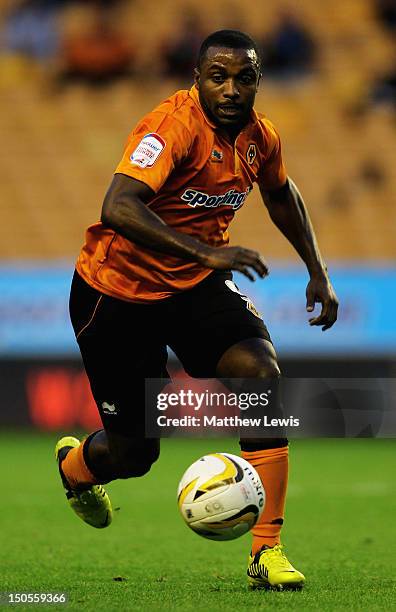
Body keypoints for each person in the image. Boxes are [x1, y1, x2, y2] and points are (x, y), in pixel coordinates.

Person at [55, 29, 338, 591]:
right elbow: (118, 205)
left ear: (258, 81)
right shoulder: (172, 127)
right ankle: (76, 468)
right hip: (116, 294)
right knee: (136, 454)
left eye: (244, 77)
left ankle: (267, 550)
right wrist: (209, 251)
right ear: (197, 77)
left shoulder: (261, 137)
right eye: (218, 76)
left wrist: (317, 269)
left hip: (191, 286)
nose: (231, 89)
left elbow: (281, 192)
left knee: (259, 372)